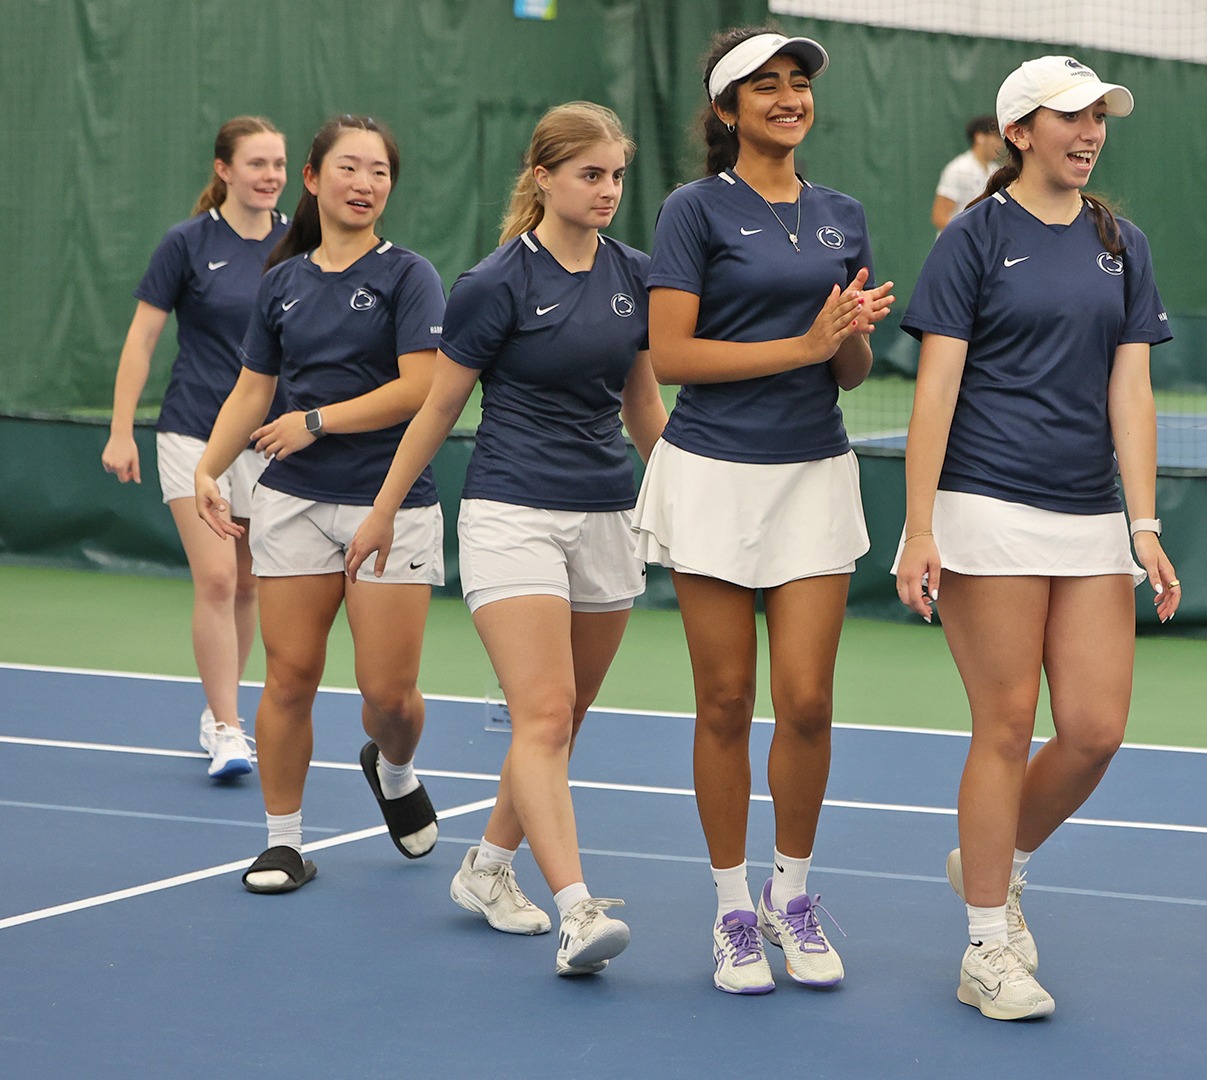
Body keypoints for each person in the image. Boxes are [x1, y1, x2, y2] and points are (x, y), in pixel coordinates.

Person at [345, 102, 664, 976]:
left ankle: (486, 867)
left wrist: (684, 495)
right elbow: (439, 406)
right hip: (511, 512)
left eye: (616, 175)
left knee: (566, 718)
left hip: (608, 516)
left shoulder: (635, 275)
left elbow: (642, 404)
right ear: (543, 178)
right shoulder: (494, 282)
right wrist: (383, 507)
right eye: (590, 174)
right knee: (544, 713)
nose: (607, 189)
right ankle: (577, 910)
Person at [895, 55, 1178, 1022]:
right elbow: (935, 389)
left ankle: (997, 860)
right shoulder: (973, 238)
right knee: (1007, 724)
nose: (1091, 133)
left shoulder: (1122, 243)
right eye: (1071, 117)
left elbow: (1130, 389)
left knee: (1095, 729)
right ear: (1019, 133)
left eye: (1099, 118)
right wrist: (919, 526)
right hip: (986, 506)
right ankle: (984, 945)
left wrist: (1143, 523)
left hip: (1089, 515)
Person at [639, 27, 894, 995]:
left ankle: (792, 896)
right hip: (712, 472)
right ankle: (731, 910)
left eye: (799, 84)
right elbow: (672, 356)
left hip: (812, 474)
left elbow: (849, 370)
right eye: (767, 86)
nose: (790, 98)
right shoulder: (692, 210)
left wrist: (847, 336)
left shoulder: (842, 215)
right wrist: (802, 346)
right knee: (723, 701)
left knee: (809, 700)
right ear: (726, 109)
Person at [194, 115, 445, 894]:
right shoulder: (283, 282)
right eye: (348, 168)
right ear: (312, 179)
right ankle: (284, 843)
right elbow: (252, 390)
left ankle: (394, 769)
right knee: (290, 676)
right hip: (293, 505)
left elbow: (420, 388)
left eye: (379, 172)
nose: (364, 184)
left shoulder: (410, 276)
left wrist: (315, 422)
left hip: (390, 503)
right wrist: (208, 467)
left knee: (388, 697)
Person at [103, 116, 289, 780]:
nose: (270, 176)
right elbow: (142, 339)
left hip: (267, 441)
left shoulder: (299, 242)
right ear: (224, 169)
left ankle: (218, 710)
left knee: (248, 584)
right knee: (215, 579)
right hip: (190, 433)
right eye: (257, 163)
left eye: (278, 164)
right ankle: (231, 730)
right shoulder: (185, 242)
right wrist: (121, 429)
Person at [930, 115, 1002, 232]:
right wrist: (967, 236)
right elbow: (939, 216)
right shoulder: (958, 169)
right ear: (980, 137)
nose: (1000, 144)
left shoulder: (996, 171)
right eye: (996, 138)